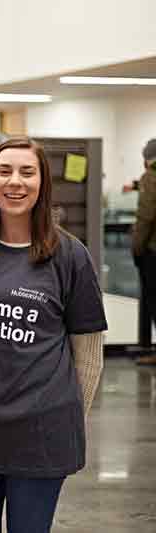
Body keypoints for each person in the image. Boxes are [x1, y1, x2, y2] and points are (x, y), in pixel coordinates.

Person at [0, 137, 108, 533]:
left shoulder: (69, 255)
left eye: (27, 172)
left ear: (42, 183)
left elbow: (88, 351)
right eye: (5, 171)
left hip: (41, 431)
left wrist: (65, 417)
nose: (15, 182)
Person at [130, 138, 156, 365]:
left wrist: (136, 248)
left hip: (153, 251)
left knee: (153, 300)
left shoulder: (150, 177)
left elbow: (146, 216)